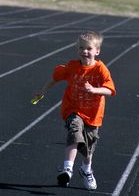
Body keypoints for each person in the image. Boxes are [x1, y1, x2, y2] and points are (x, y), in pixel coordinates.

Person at [35, 31, 116, 190]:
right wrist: (43, 91)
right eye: (81, 48)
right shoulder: (72, 66)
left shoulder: (101, 69)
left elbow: (110, 90)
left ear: (97, 51)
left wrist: (94, 90)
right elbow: (55, 78)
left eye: (88, 48)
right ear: (77, 49)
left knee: (87, 149)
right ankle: (68, 168)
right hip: (73, 109)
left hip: (93, 114)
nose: (84, 51)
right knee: (74, 130)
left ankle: (86, 169)